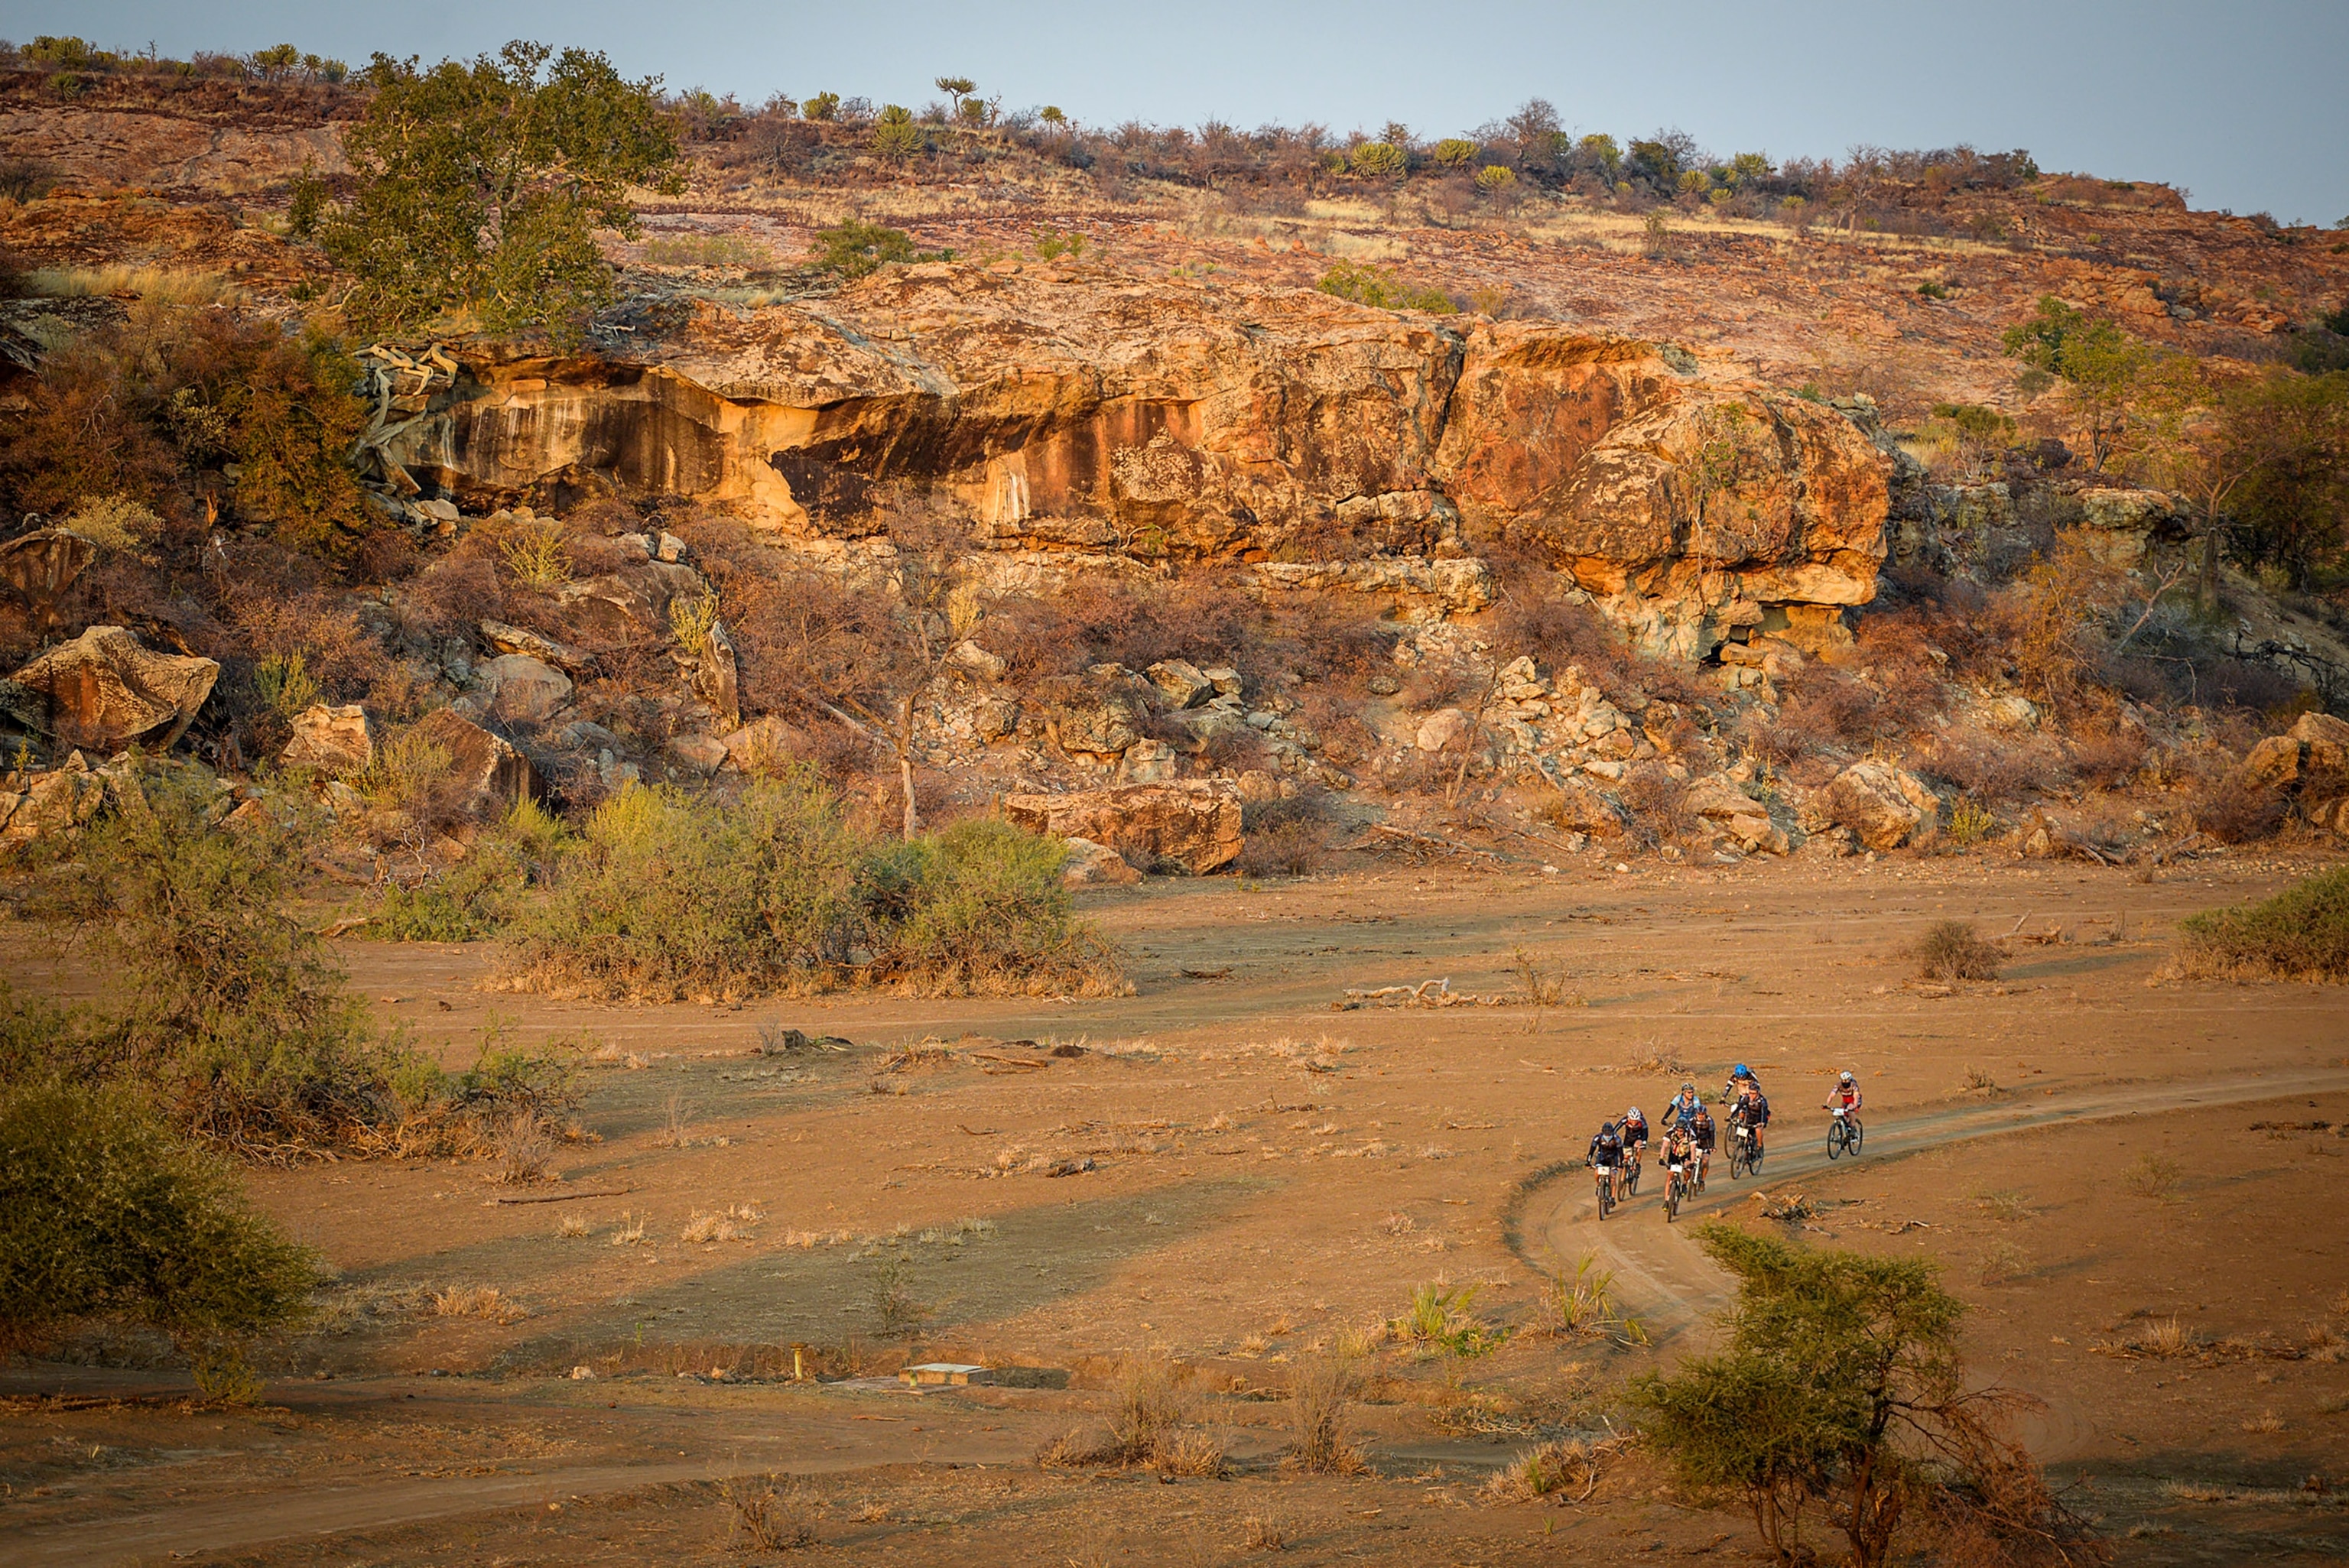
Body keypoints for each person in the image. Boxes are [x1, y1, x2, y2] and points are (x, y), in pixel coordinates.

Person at [1729, 1082, 1771, 1165]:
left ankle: (1759, 1146)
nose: (1752, 1095)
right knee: (1743, 1129)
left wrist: (1762, 1123)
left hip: (1760, 1118)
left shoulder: (1762, 1101)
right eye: (1750, 1093)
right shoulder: (1746, 1098)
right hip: (1750, 1117)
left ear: (1758, 1093)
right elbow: (1739, 1107)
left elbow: (1764, 1113)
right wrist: (1732, 1117)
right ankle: (1741, 1144)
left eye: (1754, 1093)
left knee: (1758, 1130)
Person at [1589, 1120, 1626, 1207]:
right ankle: (1599, 1186)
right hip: (1601, 1157)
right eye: (1606, 1134)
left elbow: (1621, 1153)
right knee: (1597, 1172)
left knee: (1612, 1178)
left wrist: (1621, 1163)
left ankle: (1612, 1198)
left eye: (1609, 1134)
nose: (1608, 1136)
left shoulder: (1617, 1139)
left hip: (1613, 1158)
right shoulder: (1597, 1138)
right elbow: (1591, 1150)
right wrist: (1588, 1161)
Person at [1823, 1070, 1863, 1135]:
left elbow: (1856, 1097)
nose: (1845, 1082)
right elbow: (1831, 1095)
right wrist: (1827, 1104)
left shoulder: (1854, 1085)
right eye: (1843, 1080)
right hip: (1845, 1101)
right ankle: (1844, 1131)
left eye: (1847, 1080)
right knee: (1842, 1114)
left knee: (1850, 1109)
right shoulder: (1838, 1085)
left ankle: (1853, 1127)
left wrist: (1855, 1106)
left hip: (1854, 1100)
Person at [1688, 1103, 1716, 1190]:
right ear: (1696, 1114)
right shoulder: (1691, 1121)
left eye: (1702, 1114)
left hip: (1705, 1142)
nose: (1701, 1116)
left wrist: (1712, 1146)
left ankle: (1702, 1181)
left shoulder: (1709, 1121)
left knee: (1705, 1161)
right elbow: (1687, 1132)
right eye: (1699, 1114)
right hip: (1694, 1141)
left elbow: (1712, 1134)